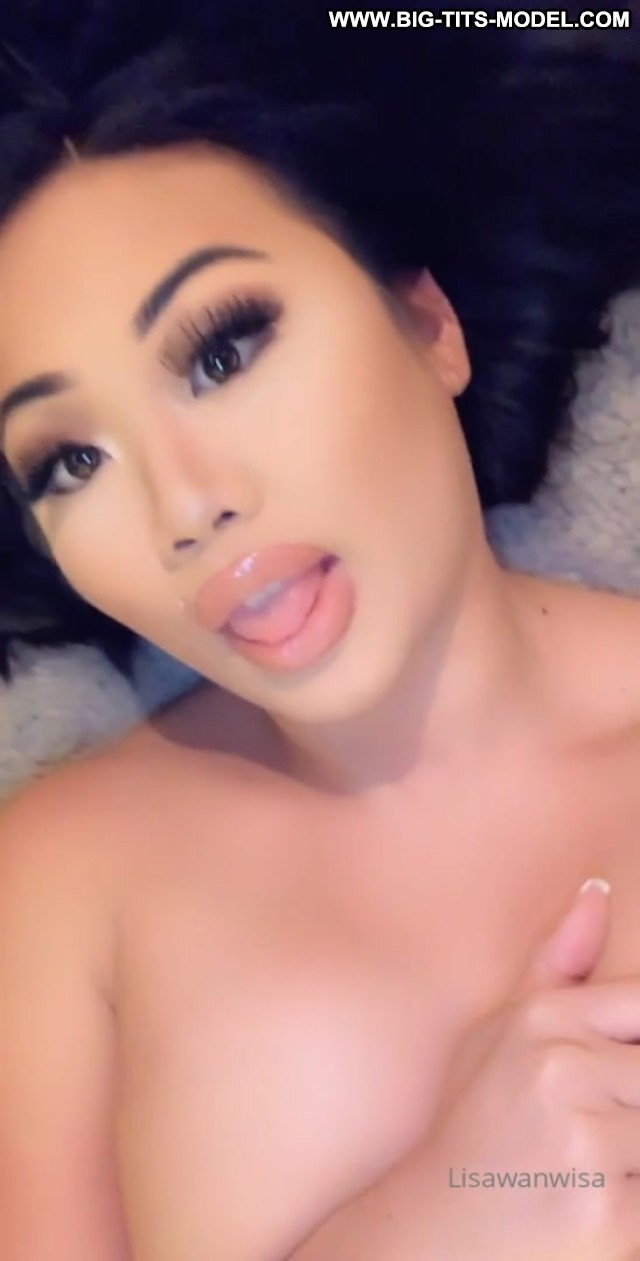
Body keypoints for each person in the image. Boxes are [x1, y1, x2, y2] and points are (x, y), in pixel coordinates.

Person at [0, 3, 640, 1258]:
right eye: (71, 459)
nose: (187, 504)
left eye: (223, 351)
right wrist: (430, 1221)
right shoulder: (54, 889)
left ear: (428, 325)